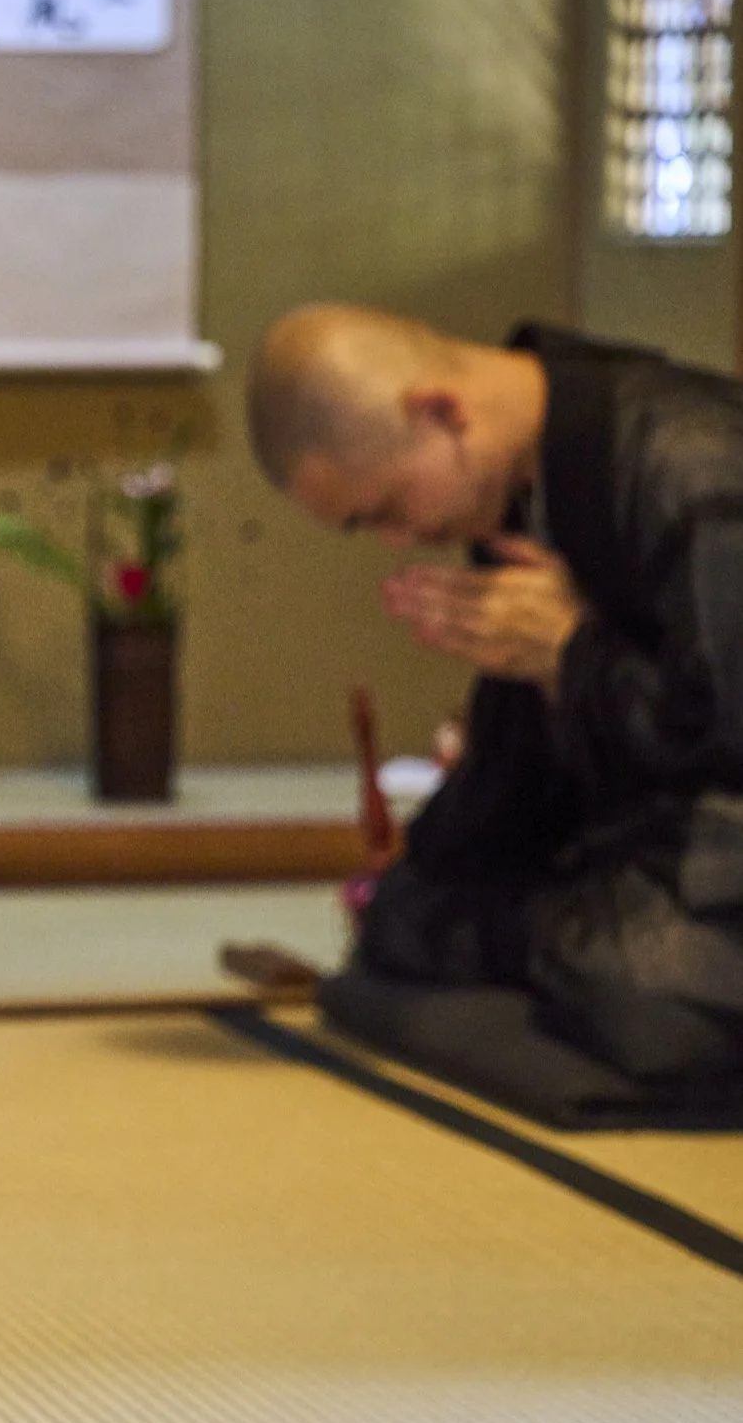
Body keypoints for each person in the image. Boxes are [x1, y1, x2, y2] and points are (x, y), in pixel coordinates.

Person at [248, 303, 743, 1087]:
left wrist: (574, 658)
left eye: (385, 510)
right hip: (646, 849)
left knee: (653, 996)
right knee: (405, 923)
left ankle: (556, 940)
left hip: (716, 839)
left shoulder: (694, 463)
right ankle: (556, 937)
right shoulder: (524, 486)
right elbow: (517, 763)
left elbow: (727, 736)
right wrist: (418, 881)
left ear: (442, 414)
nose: (399, 541)